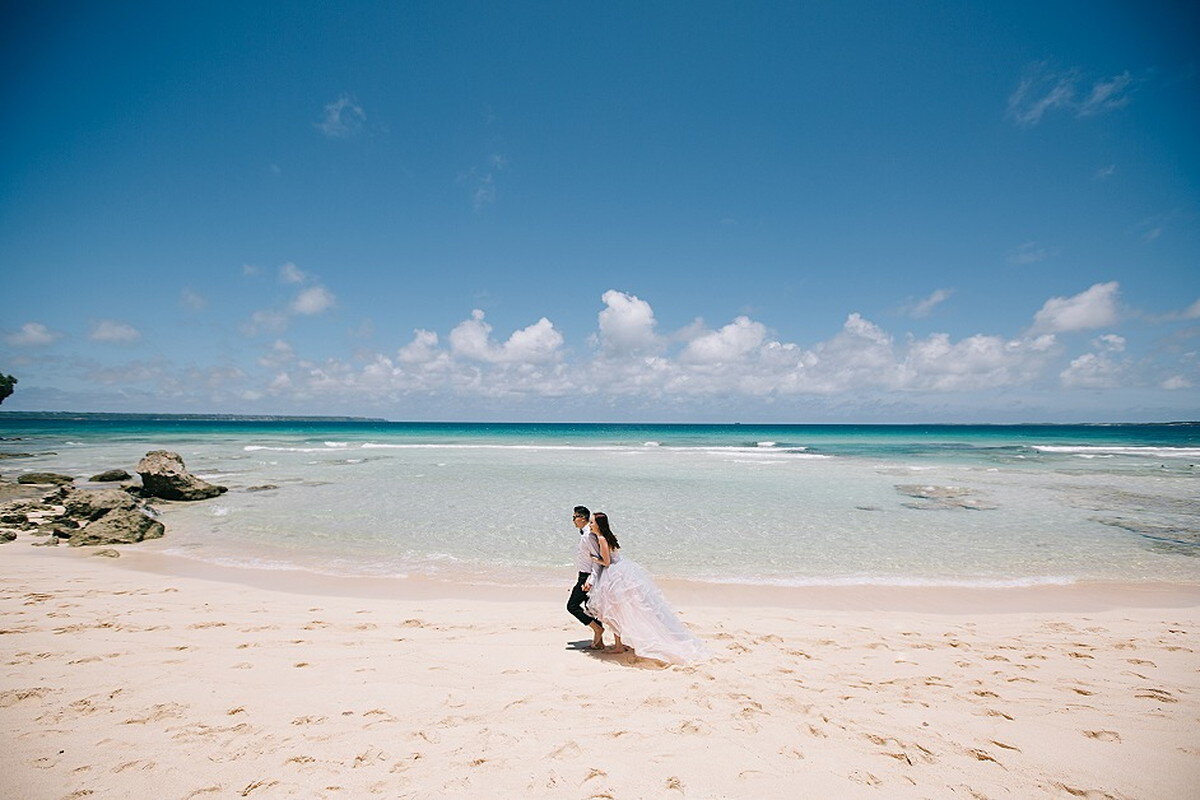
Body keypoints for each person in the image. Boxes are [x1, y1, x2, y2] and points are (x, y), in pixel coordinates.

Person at [584, 512, 710, 665]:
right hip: (621, 573)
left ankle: (619, 645)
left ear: (598, 525)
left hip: (613, 576)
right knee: (617, 611)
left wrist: (593, 558)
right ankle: (618, 644)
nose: (589, 525)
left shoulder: (602, 539)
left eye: (591, 522)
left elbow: (607, 562)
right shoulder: (606, 536)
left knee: (615, 611)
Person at [566, 505, 606, 649]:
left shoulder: (588, 536)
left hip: (587, 577)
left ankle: (597, 629)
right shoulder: (586, 533)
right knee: (592, 607)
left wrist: (591, 580)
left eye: (574, 517)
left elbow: (596, 559)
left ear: (582, 518)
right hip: (586, 575)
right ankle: (599, 641)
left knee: (572, 606)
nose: (573, 520)